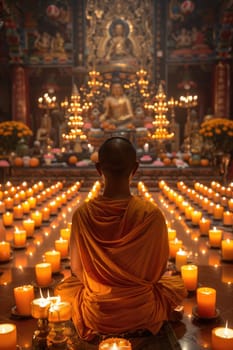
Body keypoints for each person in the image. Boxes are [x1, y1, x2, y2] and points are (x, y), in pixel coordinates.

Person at [55, 136, 187, 341]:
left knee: (66, 288)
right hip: (142, 311)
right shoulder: (151, 215)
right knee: (174, 285)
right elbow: (158, 272)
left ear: (98, 169)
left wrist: (105, 289)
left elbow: (77, 270)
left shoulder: (83, 214)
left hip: (97, 314)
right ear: (135, 168)